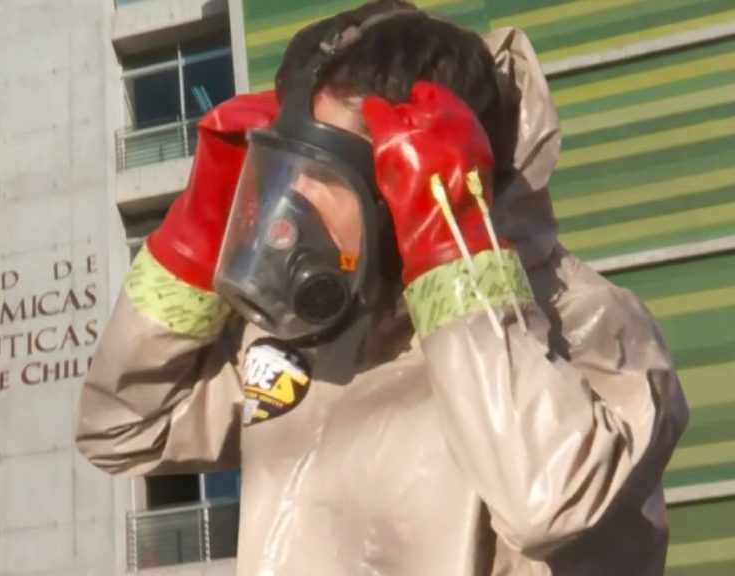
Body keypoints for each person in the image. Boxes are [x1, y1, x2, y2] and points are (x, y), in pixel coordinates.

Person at [75, 1, 689, 574]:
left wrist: (453, 258)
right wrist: (196, 232)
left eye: (320, 171)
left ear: (422, 171)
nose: (292, 202)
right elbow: (122, 429)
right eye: (285, 165)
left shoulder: (595, 326)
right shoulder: (315, 331)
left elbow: (546, 502)